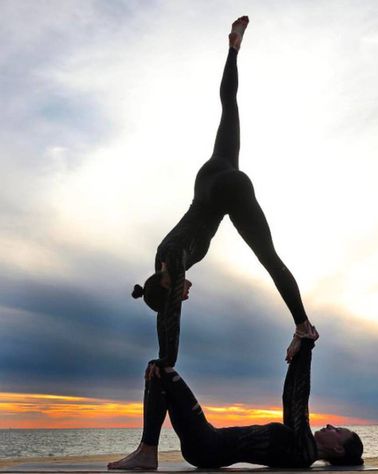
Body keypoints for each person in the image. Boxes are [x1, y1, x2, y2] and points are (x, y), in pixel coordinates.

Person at [131, 16, 318, 368]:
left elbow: (167, 320)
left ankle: (303, 326)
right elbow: (165, 302)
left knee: (270, 259)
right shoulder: (166, 256)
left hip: (225, 193)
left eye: (179, 297)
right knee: (229, 105)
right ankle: (233, 49)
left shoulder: (172, 258)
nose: (187, 296)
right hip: (213, 175)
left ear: (167, 288)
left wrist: (164, 360)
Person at [107, 338, 364, 470]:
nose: (331, 425)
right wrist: (298, 355)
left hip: (206, 445)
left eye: (338, 431)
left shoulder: (305, 452)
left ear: (339, 451)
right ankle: (147, 450)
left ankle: (147, 452)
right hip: (205, 444)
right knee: (157, 371)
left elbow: (300, 399)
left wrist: (307, 346)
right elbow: (290, 399)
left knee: (162, 370)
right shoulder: (299, 445)